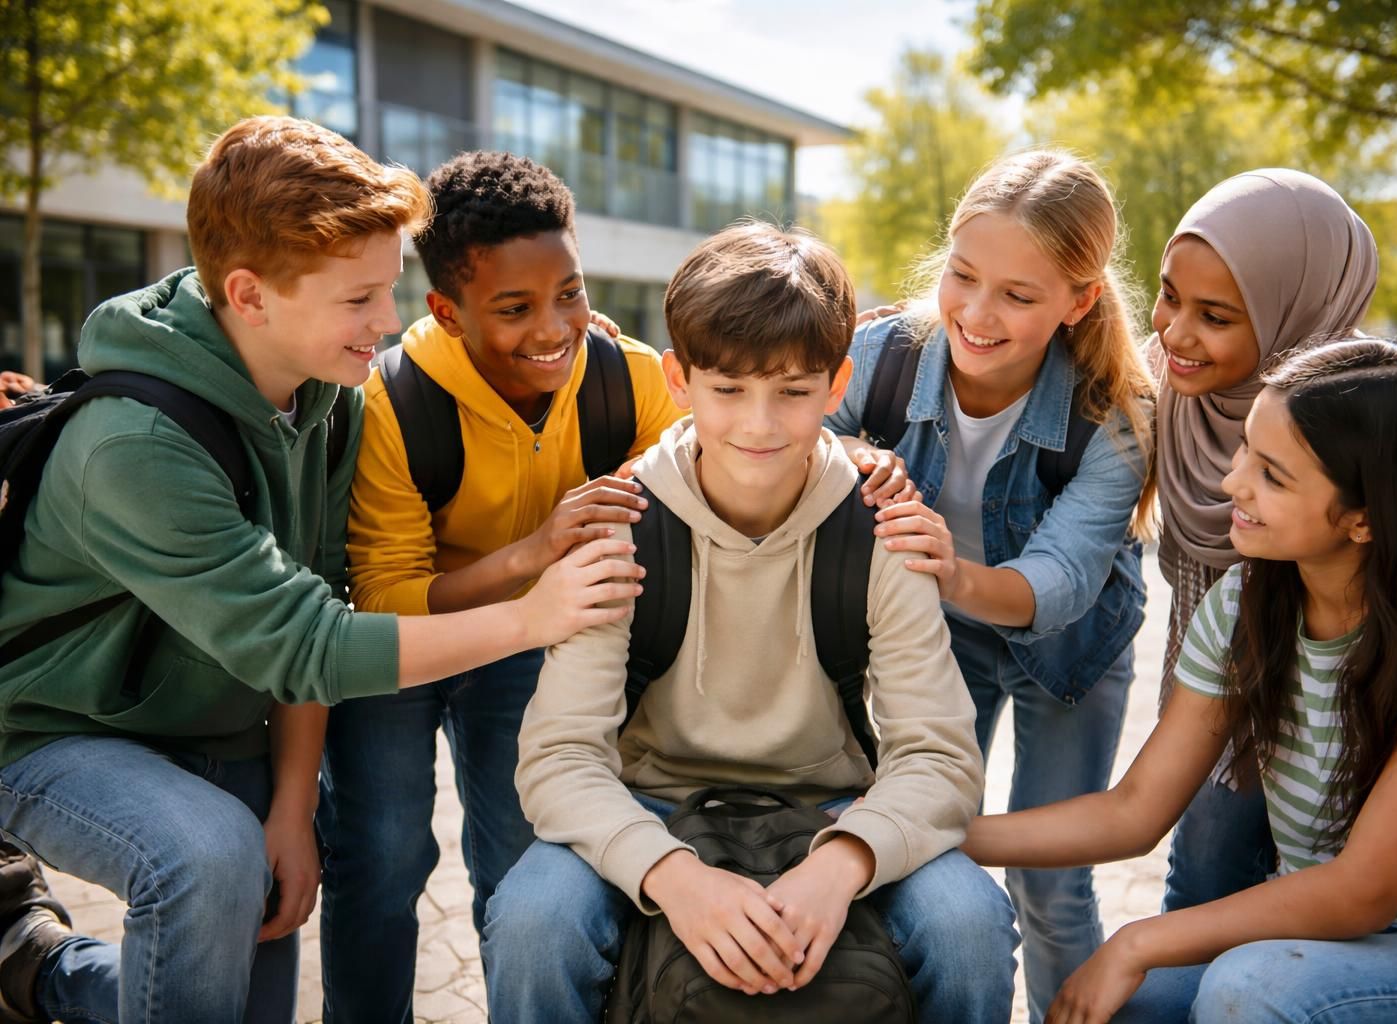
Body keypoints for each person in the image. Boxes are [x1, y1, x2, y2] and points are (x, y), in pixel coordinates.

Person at [0, 116, 642, 1024]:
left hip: (215, 731)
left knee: (228, 978)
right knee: (210, 856)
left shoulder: (326, 397)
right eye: (360, 301)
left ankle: (37, 971)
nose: (389, 323)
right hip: (48, 729)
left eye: (388, 292)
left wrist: (295, 806)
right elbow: (308, 643)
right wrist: (533, 615)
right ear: (250, 295)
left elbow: (312, 592)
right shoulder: (133, 447)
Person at [481, 222, 1019, 1023]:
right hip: (653, 802)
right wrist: (674, 876)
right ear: (678, 379)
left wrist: (842, 863)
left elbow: (939, 756)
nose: (760, 425)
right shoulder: (624, 528)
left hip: (830, 808)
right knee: (531, 920)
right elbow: (559, 758)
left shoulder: (883, 527)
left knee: (968, 923)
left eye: (793, 392)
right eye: (728, 390)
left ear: (837, 387)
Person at [966, 337, 1397, 1024]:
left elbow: (1364, 893)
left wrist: (1138, 940)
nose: (1233, 483)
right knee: (1115, 1008)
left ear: (1367, 518)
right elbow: (1134, 811)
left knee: (1253, 986)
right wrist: (931, 833)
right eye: (1246, 452)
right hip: (1316, 948)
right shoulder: (1243, 605)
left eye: (1273, 474)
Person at [322, 150, 682, 1024]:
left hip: (526, 643)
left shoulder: (626, 378)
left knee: (522, 861)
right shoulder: (391, 402)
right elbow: (386, 598)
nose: (554, 327)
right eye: (514, 309)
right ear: (446, 311)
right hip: (404, 650)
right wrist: (532, 554)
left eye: (569, 291)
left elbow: (700, 468)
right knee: (380, 856)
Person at [829, 149, 1154, 1023]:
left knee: (1050, 885)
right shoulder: (883, 353)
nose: (977, 314)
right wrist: (857, 452)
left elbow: (1061, 582)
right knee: (925, 851)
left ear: (1078, 301)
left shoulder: (1114, 415)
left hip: (1068, 653)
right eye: (964, 277)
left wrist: (952, 567)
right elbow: (793, 428)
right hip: (940, 639)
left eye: (1018, 295)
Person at [1149, 169, 1379, 913]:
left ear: (1295, 311)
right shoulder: (1165, 385)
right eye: (1169, 295)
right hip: (1212, 709)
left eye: (1215, 315)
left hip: (1336, 716)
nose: (1176, 332)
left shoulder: (1363, 418)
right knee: (1201, 882)